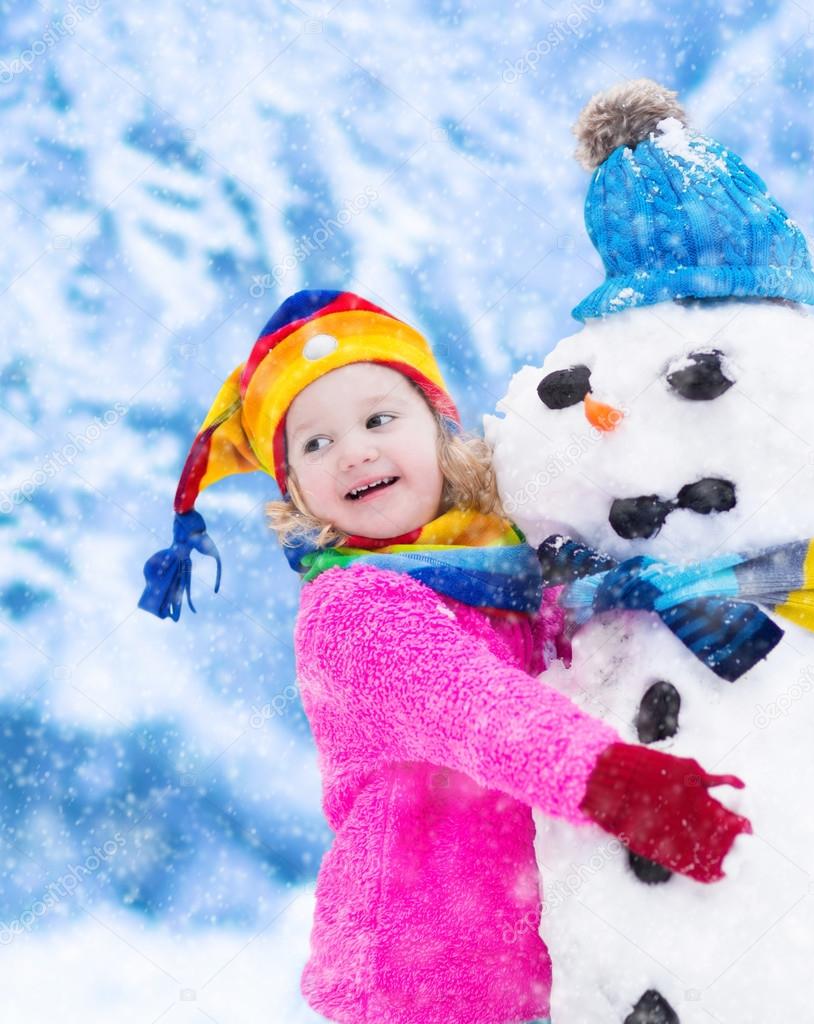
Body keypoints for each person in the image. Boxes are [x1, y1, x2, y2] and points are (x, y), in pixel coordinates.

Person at [137, 289, 751, 1024]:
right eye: (316, 443)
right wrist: (620, 785)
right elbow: (476, 709)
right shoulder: (352, 608)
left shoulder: (503, 568)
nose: (355, 450)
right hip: (420, 979)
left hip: (538, 964)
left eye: (378, 418)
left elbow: (585, 648)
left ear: (439, 430)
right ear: (295, 489)